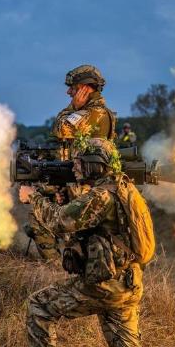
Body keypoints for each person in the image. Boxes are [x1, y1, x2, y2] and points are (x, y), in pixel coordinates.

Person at [18, 141, 161, 347]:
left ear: (97, 164)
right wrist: (63, 195)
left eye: (82, 162)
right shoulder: (124, 189)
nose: (76, 166)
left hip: (103, 286)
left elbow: (61, 222)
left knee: (38, 307)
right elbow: (88, 221)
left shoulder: (101, 195)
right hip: (127, 283)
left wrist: (34, 199)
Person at [25, 64, 117, 261]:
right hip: (81, 182)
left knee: (57, 222)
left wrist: (73, 107)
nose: (69, 92)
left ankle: (55, 265)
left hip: (88, 187)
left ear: (85, 88)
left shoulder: (95, 113)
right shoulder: (90, 112)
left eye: (72, 88)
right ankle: (62, 264)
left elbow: (60, 128)